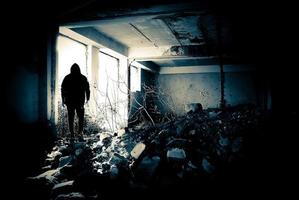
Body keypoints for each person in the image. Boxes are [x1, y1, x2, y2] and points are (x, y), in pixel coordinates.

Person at [61, 63, 90, 142]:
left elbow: (62, 89)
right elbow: (87, 89)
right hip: (80, 102)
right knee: (80, 117)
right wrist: (88, 99)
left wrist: (63, 100)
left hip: (70, 102)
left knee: (71, 117)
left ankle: (72, 134)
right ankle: (80, 133)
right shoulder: (83, 78)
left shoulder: (67, 77)